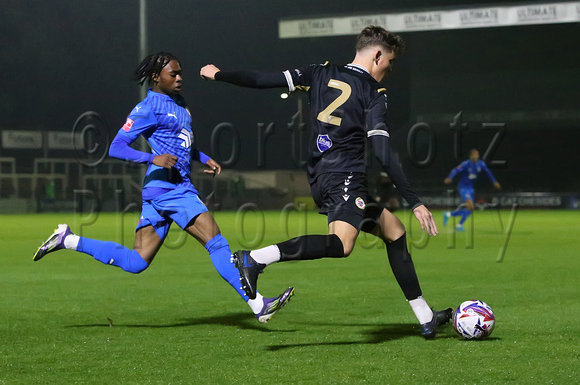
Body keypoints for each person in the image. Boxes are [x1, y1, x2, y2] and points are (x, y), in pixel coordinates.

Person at [200, 26, 452, 339]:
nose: (389, 69)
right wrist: (415, 200)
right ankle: (254, 259)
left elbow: (265, 79)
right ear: (377, 55)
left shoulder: (319, 72)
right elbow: (383, 151)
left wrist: (221, 74)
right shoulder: (373, 93)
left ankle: (425, 316)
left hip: (322, 174)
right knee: (342, 245)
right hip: (344, 175)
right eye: (389, 61)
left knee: (394, 231)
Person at [34, 52, 293, 323]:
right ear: (156, 77)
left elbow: (181, 144)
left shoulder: (179, 102)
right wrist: (151, 157)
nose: (180, 78)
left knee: (136, 262)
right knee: (216, 242)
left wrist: (203, 158)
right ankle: (257, 305)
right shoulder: (148, 107)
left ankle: (68, 239)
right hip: (170, 189)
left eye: (181, 73)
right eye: (174, 74)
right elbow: (116, 147)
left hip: (162, 190)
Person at [443, 148, 501, 232]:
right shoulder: (466, 164)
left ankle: (450, 216)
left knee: (470, 208)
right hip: (463, 187)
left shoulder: (481, 164)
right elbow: (456, 170)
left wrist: (494, 181)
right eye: (473, 154)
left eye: (476, 154)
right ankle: (458, 224)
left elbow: (488, 172)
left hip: (470, 188)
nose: (475, 156)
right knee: (470, 206)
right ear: (470, 156)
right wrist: (450, 177)